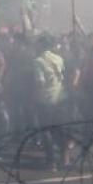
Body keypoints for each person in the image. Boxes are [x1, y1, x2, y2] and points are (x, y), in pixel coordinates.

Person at [33, 34, 69, 171]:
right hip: (61, 98)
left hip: (45, 100)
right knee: (60, 129)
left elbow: (40, 82)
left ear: (41, 45)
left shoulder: (38, 61)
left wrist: (35, 96)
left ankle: (51, 162)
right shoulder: (59, 58)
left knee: (46, 130)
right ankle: (64, 158)